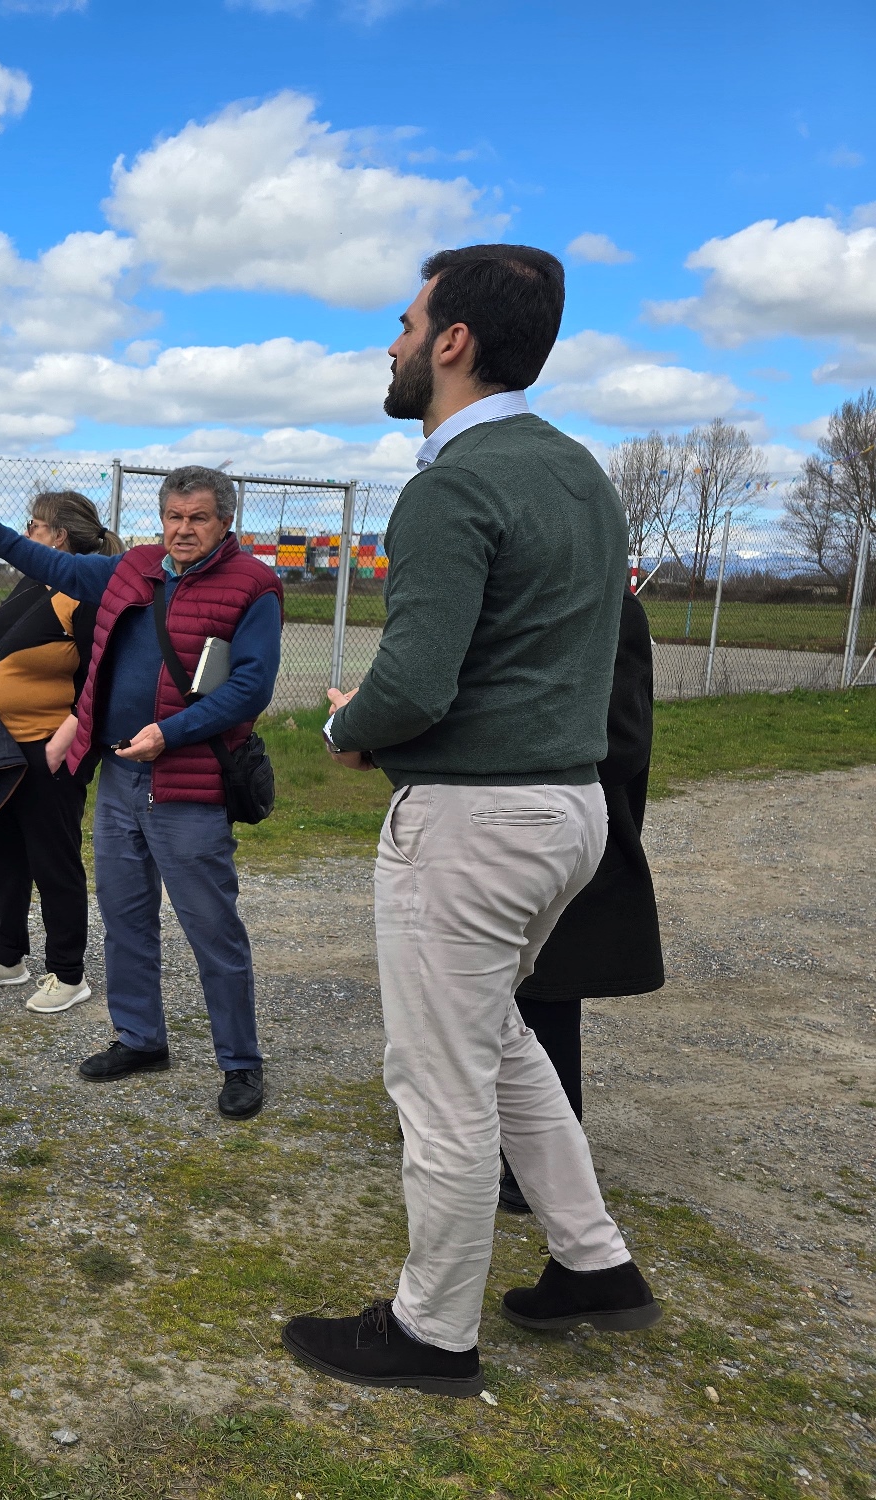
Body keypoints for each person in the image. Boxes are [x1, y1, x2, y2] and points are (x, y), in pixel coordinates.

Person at [281, 246, 660, 1399]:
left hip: (473, 825)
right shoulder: (579, 472)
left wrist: (353, 724)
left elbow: (417, 682)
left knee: (435, 1080)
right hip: (571, 808)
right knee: (498, 1043)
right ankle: (593, 1263)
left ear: (450, 342)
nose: (389, 345)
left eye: (403, 324)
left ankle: (428, 1331)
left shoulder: (449, 484)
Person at [0, 466, 284, 1119]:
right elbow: (53, 565)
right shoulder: (134, 570)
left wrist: (169, 732)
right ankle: (140, 1038)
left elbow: (249, 689)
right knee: (125, 918)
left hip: (188, 782)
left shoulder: (254, 587)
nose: (183, 530)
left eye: (199, 518)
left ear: (225, 521)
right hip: (122, 777)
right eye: (174, 517)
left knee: (212, 927)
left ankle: (240, 1063)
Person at [501, 585, 664, 1213]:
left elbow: (622, 741)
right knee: (477, 986)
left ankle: (538, 1159)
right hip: (499, 833)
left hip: (567, 832)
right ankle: (470, 1125)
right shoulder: (514, 596)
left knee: (545, 994)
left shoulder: (613, 608)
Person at [0, 490, 121, 1016]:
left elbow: (105, 672)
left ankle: (68, 973)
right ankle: (8, 956)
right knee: (2, 849)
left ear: (58, 537)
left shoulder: (86, 591)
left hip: (49, 748)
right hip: (0, 745)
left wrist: (69, 736)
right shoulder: (34, 583)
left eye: (33, 526)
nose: (26, 533)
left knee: (53, 859)